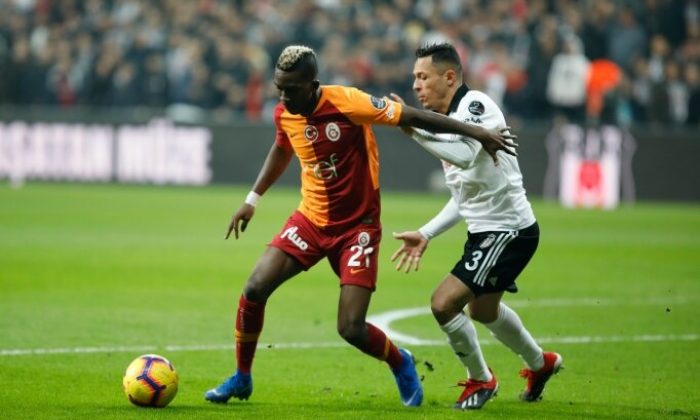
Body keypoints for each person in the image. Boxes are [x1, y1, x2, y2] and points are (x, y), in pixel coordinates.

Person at [204, 45, 518, 407]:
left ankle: (400, 362)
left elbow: (414, 117)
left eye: (291, 90)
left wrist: (477, 133)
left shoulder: (349, 102)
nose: (284, 97)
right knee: (255, 288)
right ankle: (242, 377)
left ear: (313, 85)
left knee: (350, 327)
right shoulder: (284, 113)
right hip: (311, 220)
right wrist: (252, 199)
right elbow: (281, 147)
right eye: (280, 88)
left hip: (358, 229)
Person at [390, 43, 562, 410]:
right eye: (414, 78)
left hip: (508, 231)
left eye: (423, 77)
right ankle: (541, 364)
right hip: (489, 232)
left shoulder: (475, 106)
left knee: (443, 303)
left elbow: (466, 156)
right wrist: (426, 232)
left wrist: (413, 130)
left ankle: (481, 380)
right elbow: (463, 198)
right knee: (482, 311)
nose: (416, 86)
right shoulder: (448, 122)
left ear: (449, 77)